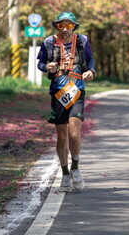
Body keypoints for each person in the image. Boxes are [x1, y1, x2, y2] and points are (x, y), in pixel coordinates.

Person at [37, 11, 95, 192]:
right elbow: (40, 63)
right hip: (58, 91)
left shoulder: (82, 41)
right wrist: (47, 66)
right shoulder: (48, 42)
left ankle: (75, 167)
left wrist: (91, 71)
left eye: (69, 25)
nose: (65, 29)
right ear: (57, 27)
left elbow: (90, 59)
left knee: (74, 134)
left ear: (74, 27)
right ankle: (65, 174)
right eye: (61, 25)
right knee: (61, 136)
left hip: (77, 90)